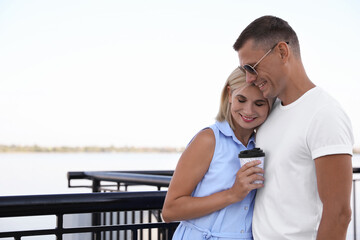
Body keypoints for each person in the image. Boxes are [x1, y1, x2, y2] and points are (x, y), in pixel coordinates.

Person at [233, 15, 354, 240]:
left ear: (282, 52)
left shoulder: (324, 114)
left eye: (252, 67)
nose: (249, 79)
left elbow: (339, 214)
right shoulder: (270, 112)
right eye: (244, 72)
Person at [162, 67, 272, 239]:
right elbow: (170, 211)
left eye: (259, 103)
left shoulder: (263, 145)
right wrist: (232, 194)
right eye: (241, 100)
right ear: (229, 95)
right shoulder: (208, 140)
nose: (249, 111)